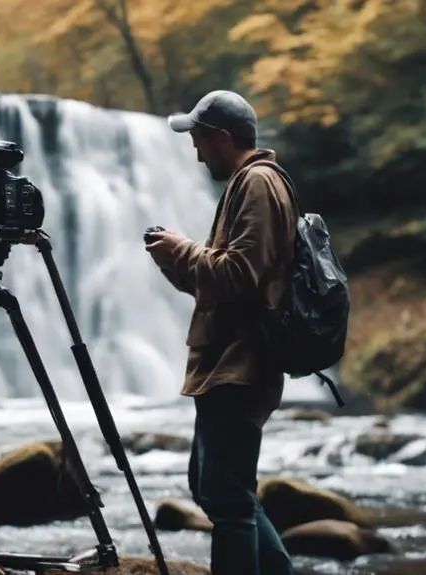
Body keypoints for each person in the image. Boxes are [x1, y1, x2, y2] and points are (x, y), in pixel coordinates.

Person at [144, 90, 297, 575]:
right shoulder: (247, 183)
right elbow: (216, 286)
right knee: (217, 490)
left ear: (223, 138)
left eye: (199, 141)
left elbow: (239, 275)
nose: (196, 154)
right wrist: (172, 258)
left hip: (241, 363)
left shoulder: (257, 183)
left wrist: (183, 248)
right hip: (226, 364)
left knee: (228, 500)